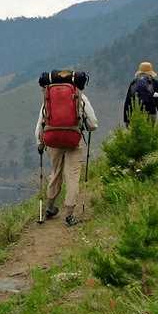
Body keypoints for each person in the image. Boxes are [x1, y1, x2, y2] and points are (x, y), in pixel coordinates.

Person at [35, 71, 99, 226]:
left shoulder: (48, 97)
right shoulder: (80, 97)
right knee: (72, 176)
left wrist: (40, 143)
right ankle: (69, 215)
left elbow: (41, 123)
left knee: (55, 173)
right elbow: (93, 124)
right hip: (73, 141)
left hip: (53, 141)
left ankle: (49, 208)